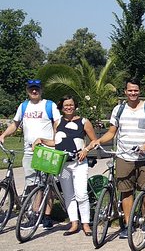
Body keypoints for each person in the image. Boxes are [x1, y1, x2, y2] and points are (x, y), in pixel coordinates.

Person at [91, 79, 145, 239]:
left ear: (139, 91)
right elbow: (111, 132)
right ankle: (128, 225)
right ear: (125, 92)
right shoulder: (119, 109)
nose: (133, 93)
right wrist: (98, 140)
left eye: (135, 90)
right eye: (130, 91)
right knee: (126, 191)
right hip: (124, 156)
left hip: (144, 157)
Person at [0, 79, 61, 229]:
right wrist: (3, 135)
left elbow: (57, 123)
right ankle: (35, 214)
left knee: (48, 183)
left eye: (37, 89)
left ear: (41, 90)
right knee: (33, 183)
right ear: (27, 90)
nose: (34, 91)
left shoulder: (49, 105)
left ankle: (45, 216)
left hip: (46, 150)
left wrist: (54, 140)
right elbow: (15, 124)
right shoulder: (24, 106)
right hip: (29, 150)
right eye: (31, 89)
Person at [34, 96, 97, 236]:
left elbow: (94, 141)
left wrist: (86, 150)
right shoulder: (57, 123)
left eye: (71, 105)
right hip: (63, 165)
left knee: (81, 194)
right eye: (66, 105)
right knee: (69, 195)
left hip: (79, 163)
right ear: (61, 107)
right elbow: (57, 142)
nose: (69, 107)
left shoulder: (84, 122)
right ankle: (74, 223)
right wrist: (42, 140)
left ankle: (86, 223)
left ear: (75, 106)